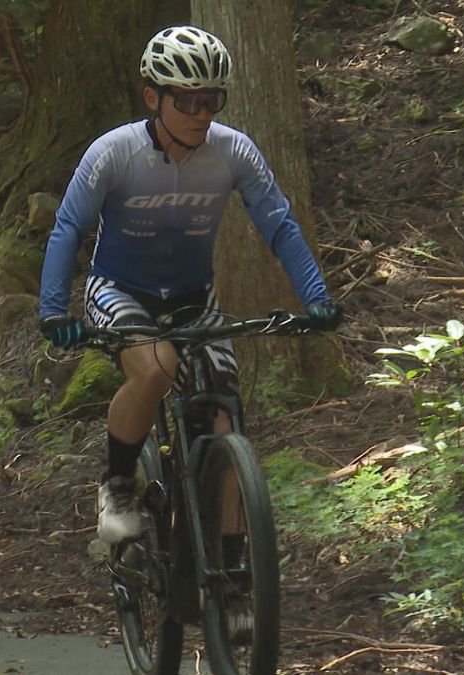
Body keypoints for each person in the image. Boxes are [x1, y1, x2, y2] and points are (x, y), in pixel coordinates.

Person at [37, 25, 343, 547]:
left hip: (193, 298)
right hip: (119, 289)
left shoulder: (234, 152)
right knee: (156, 368)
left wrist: (316, 298)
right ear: (154, 98)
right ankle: (117, 485)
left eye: (212, 100)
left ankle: (231, 575)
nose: (202, 113)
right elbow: (69, 226)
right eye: (189, 101)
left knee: (225, 416)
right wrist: (52, 311)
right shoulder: (114, 152)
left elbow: (279, 224)